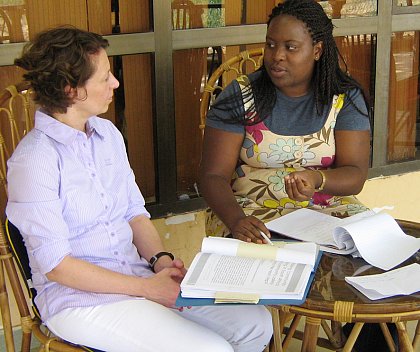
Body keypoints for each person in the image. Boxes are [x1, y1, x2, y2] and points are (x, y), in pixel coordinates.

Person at [6, 26, 273, 352]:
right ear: (71, 90)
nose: (115, 83)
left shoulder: (106, 134)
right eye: (105, 78)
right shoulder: (34, 161)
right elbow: (57, 265)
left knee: (255, 323)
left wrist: (160, 262)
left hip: (137, 276)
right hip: (80, 301)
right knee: (210, 349)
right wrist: (146, 289)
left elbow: (134, 213)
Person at [200, 0, 371, 243]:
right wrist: (237, 220)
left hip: (326, 209)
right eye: (271, 45)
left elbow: (355, 174)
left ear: (317, 50)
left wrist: (317, 179)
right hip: (247, 211)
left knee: (366, 248)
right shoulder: (241, 94)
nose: (277, 56)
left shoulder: (344, 98)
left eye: (291, 47)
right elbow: (213, 176)